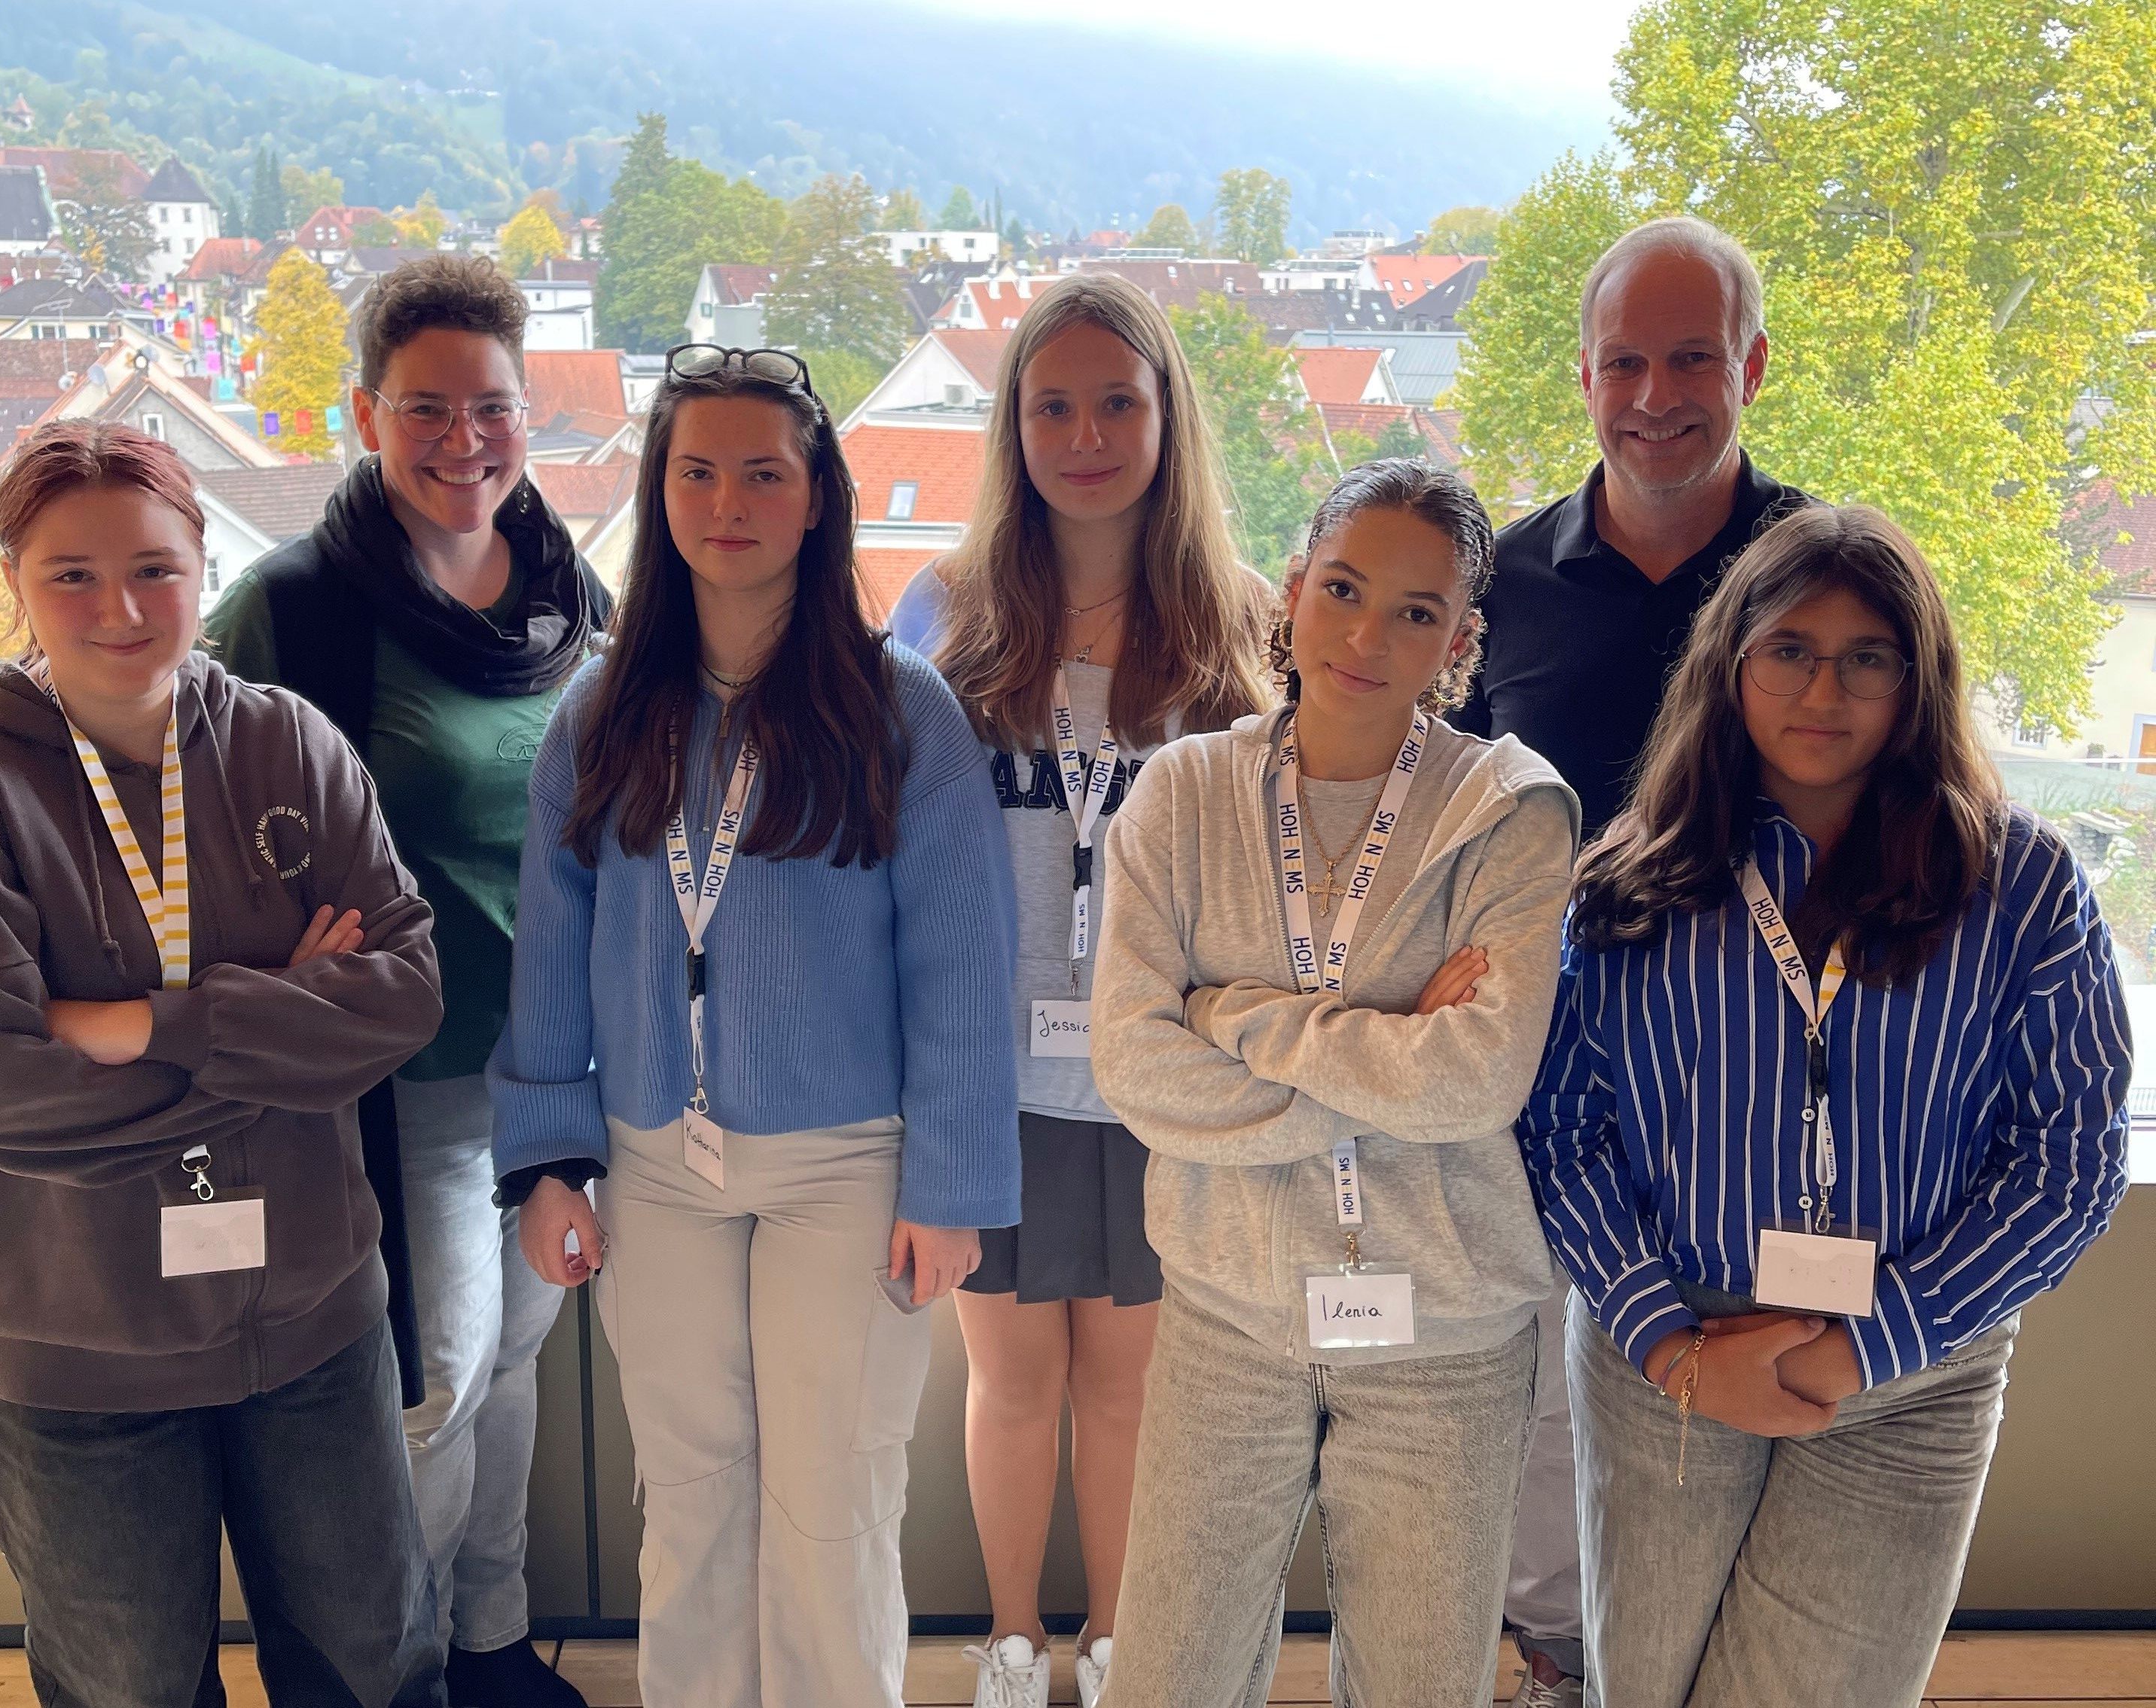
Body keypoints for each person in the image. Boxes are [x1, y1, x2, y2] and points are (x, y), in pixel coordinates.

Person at [1517, 504, 2131, 1707]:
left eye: (1868, 658)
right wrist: (1671, 1346)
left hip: (1909, 1374)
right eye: (1790, 649)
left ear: (1917, 679)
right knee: (1643, 1690)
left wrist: (1870, 1347)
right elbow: (1559, 1136)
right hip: (1668, 1364)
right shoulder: (1628, 887)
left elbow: (2071, 1161)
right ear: (1732, 663)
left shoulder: (2020, 887)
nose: (1825, 690)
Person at [0, 422, 448, 1708]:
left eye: (153, 566)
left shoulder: (288, 744)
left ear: (203, 560)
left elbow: (406, 994)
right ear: (13, 581)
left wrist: (147, 1025)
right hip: (74, 1345)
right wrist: (291, 1023)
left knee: (376, 1663)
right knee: (127, 1687)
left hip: (311, 1315)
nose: (121, 607)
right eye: (70, 573)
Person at [491, 343, 1022, 1708]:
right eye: (697, 469)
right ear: (659, 490)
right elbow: (550, 949)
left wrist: (951, 1185)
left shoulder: (902, 711)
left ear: (817, 495)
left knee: (833, 1500)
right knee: (692, 1494)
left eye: (764, 473)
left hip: (850, 1168)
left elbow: (962, 966)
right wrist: (549, 1158)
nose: (728, 500)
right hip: (653, 1161)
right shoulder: (600, 712)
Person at [1090, 459, 1581, 1708]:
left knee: (1424, 1685)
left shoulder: (1510, 811)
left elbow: (1477, 1083)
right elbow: (1138, 1066)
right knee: (1170, 1680)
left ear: (1461, 642)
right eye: (1345, 590)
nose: (1368, 635)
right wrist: (1384, 1046)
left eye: (1417, 613)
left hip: (1449, 1338)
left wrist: (1238, 1015)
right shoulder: (1181, 793)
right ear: (1295, 590)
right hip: (1228, 1317)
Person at [208, 255, 607, 1708]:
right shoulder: (299, 607)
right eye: (425, 406)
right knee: (436, 1390)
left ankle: (495, 1644)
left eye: (490, 406)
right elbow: (198, 798)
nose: (462, 438)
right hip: (410, 1079)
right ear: (367, 413)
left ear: (525, 413)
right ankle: (404, 1675)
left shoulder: (573, 585)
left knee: (518, 1376)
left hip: (558, 1065)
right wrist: (278, 948)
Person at [888, 272, 1271, 1708]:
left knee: (1128, 1392)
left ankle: (1113, 1645)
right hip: (993, 1082)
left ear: (1168, 415)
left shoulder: (1237, 625)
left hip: (1166, 1085)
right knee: (1010, 1384)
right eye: (1053, 404)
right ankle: (1007, 1642)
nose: (1087, 432)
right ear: (1013, 425)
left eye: (1118, 399)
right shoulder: (950, 609)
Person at [1448, 215, 1813, 1707]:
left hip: (1759, 1078)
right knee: (1544, 1398)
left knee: (1728, 1384)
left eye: (1692, 358)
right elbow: (1443, 812)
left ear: (1754, 366)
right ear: (1583, 373)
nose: (1657, 393)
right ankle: (1553, 1665)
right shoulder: (1507, 581)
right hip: (1543, 1068)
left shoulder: (1822, 570)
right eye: (1625, 362)